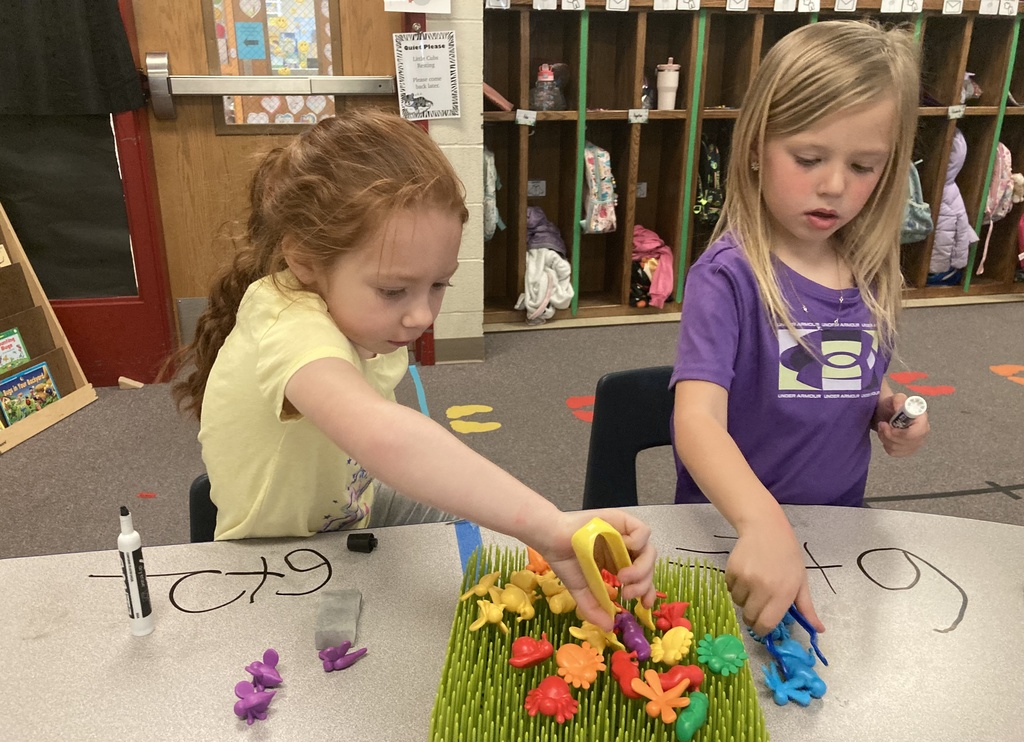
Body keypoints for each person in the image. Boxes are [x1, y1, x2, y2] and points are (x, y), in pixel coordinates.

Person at [171, 110, 655, 629]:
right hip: (274, 552)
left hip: (354, 507)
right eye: (394, 290)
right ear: (307, 259)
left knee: (480, 533)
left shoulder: (366, 319)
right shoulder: (287, 320)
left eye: (438, 285)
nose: (422, 315)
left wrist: (542, 527)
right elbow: (384, 438)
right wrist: (550, 525)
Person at [671, 22, 929, 637]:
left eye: (864, 165)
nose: (835, 185)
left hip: (836, 533)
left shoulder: (869, 272)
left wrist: (884, 409)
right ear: (758, 146)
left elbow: (848, 375)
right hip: (732, 537)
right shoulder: (728, 276)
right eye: (809, 159)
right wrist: (761, 522)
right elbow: (697, 419)